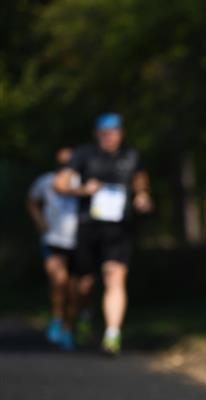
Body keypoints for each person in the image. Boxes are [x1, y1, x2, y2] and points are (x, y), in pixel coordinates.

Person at [54, 113, 152, 355]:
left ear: (121, 133)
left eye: (114, 132)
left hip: (119, 227)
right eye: (105, 133)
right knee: (84, 284)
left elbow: (140, 178)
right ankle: (84, 315)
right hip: (88, 226)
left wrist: (142, 194)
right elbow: (59, 184)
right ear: (97, 134)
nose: (110, 137)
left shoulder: (130, 155)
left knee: (114, 275)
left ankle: (112, 334)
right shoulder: (84, 154)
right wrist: (82, 190)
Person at [27, 147, 79, 350]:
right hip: (53, 238)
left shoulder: (82, 181)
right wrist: (40, 222)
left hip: (77, 241)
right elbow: (31, 201)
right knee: (58, 280)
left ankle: (70, 325)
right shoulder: (46, 181)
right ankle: (57, 318)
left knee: (74, 288)